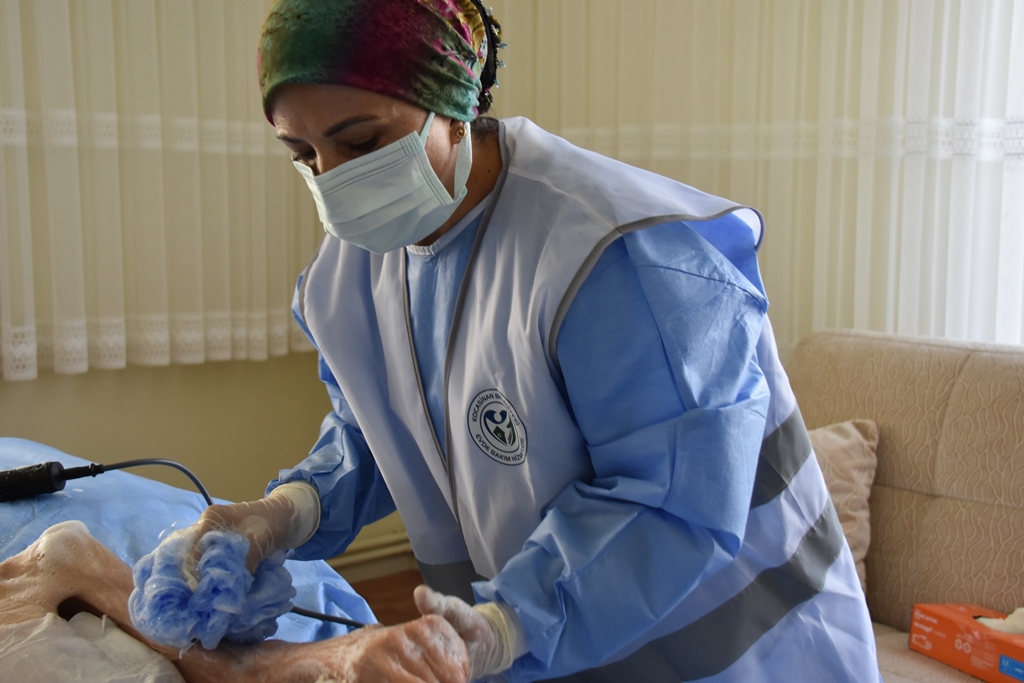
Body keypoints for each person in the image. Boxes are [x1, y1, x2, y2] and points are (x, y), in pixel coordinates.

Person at [158, 1, 882, 680]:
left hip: (741, 648)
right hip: (558, 640)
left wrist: (510, 622)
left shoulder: (616, 255)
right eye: (303, 152)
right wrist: (283, 513)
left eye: (362, 142)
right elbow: (380, 429)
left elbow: (670, 502)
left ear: (454, 105)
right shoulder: (352, 270)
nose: (333, 181)